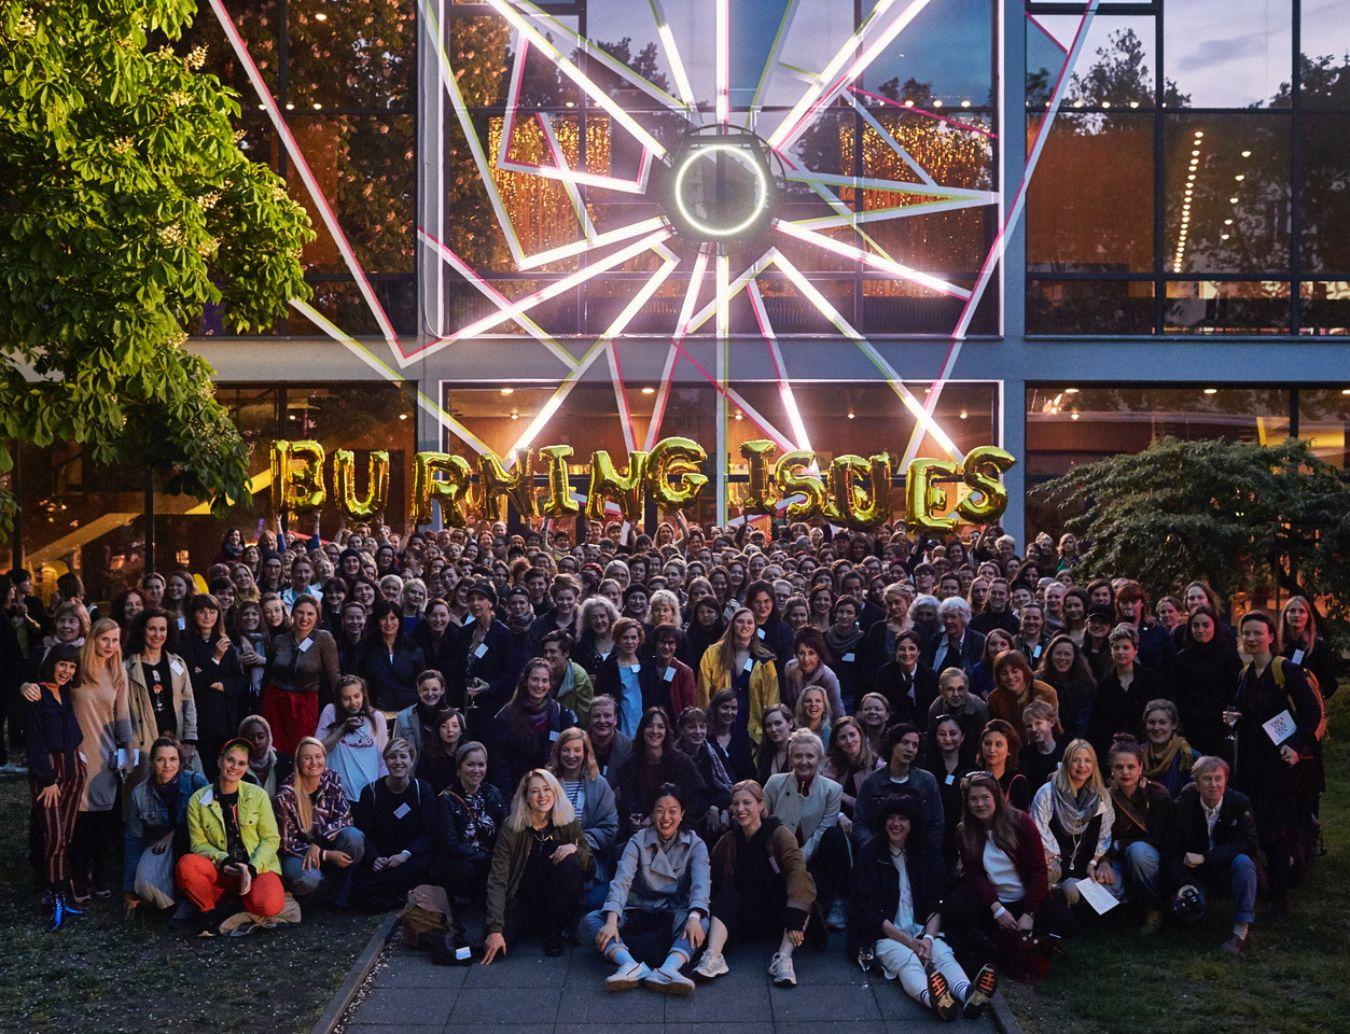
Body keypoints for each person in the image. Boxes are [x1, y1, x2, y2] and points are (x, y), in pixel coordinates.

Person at [849, 795, 999, 1022]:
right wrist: (910, 942)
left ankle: (969, 994)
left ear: (913, 823)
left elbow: (937, 899)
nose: (895, 824)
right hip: (883, 933)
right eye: (890, 818)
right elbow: (869, 911)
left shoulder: (927, 852)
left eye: (902, 819)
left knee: (942, 953)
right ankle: (935, 1000)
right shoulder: (870, 854)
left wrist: (928, 938)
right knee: (906, 959)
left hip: (921, 927)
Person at [1229, 611, 1321, 919]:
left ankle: (1281, 896)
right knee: (1254, 824)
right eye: (1247, 634)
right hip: (1250, 763)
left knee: (1277, 827)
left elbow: (1311, 713)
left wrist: (1295, 747)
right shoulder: (1245, 674)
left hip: (1278, 765)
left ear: (1271, 636)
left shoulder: (1286, 670)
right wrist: (1234, 720)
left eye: (1258, 633)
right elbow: (1251, 716)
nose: (1252, 638)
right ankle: (1264, 886)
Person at [939, 773, 1077, 974]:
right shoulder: (965, 832)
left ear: (996, 797)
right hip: (992, 901)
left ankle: (1027, 933)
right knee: (955, 907)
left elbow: (1037, 869)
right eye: (973, 799)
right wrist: (998, 910)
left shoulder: (1021, 823)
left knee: (1067, 924)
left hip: (1025, 898)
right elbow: (974, 875)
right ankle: (994, 935)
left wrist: (1029, 913)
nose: (980, 804)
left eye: (985, 797)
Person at [584, 783, 710, 994]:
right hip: (637, 908)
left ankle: (668, 970)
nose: (666, 817)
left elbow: (701, 883)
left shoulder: (695, 844)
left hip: (672, 910)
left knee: (703, 922)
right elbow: (621, 881)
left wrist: (694, 917)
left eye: (673, 811)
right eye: (660, 810)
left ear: (682, 814)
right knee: (592, 920)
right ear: (652, 813)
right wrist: (612, 921)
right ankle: (630, 965)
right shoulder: (638, 841)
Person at [695, 779, 815, 987]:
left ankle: (783, 959)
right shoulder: (729, 840)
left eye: (747, 803)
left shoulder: (779, 835)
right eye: (736, 804)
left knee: (804, 890)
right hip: (744, 915)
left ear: (761, 805)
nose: (740, 809)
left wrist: (795, 914)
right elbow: (709, 876)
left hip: (779, 911)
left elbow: (797, 870)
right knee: (726, 896)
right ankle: (713, 956)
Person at [482, 768, 592, 961]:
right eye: (534, 791)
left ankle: (554, 930)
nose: (542, 796)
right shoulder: (511, 828)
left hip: (557, 902)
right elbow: (498, 879)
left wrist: (576, 850)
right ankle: (524, 925)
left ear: (555, 793)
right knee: (495, 950)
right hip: (521, 900)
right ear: (526, 797)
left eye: (547, 789)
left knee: (572, 863)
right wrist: (495, 928)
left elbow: (591, 867)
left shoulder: (568, 822)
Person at [177, 738, 286, 932]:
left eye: (242, 763)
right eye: (230, 760)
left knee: (270, 905)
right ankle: (208, 912)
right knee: (187, 865)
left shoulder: (258, 795)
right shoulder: (198, 799)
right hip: (221, 868)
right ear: (220, 761)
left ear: (246, 767)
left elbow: (271, 839)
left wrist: (251, 869)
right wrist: (224, 860)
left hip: (254, 867)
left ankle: (240, 903)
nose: (235, 767)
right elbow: (198, 844)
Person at [1160, 756, 1259, 954]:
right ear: (1196, 783)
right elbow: (1171, 851)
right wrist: (1183, 883)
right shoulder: (1182, 806)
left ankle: (1241, 930)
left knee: (1244, 863)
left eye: (1218, 778)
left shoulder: (1239, 802)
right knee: (1189, 917)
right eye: (1207, 779)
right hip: (1194, 874)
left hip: (1226, 868)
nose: (1213, 785)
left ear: (1226, 780)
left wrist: (1207, 857)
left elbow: (1249, 843)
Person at [23, 643, 87, 930]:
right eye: (62, 664)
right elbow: (34, 741)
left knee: (67, 835)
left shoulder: (66, 693)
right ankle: (57, 895)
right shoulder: (36, 694)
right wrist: (47, 779)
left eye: (72, 666)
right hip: (51, 775)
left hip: (74, 770)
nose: (66, 671)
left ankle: (57, 892)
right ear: (52, 663)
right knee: (55, 837)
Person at [764, 730, 849, 931]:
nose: (804, 761)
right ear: (790, 758)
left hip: (813, 858)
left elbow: (823, 830)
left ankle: (838, 902)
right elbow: (764, 823)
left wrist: (798, 859)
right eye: (798, 756)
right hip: (777, 856)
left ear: (819, 759)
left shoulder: (832, 789)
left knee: (835, 836)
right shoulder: (775, 782)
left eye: (810, 756)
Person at [274, 737, 367, 909]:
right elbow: (287, 844)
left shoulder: (332, 778)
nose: (314, 762)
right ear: (298, 761)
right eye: (307, 758)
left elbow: (345, 816)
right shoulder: (285, 795)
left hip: (326, 842)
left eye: (318, 756)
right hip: (299, 852)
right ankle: (315, 894)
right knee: (309, 879)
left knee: (354, 837)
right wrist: (326, 854)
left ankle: (342, 888)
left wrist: (319, 843)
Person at [123, 737, 208, 919]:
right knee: (145, 884)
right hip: (158, 846)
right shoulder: (139, 794)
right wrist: (130, 889)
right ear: (152, 762)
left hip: (194, 843)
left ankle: (192, 899)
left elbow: (210, 821)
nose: (167, 765)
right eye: (160, 760)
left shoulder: (196, 782)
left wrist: (174, 834)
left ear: (180, 761)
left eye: (173, 759)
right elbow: (133, 840)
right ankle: (174, 901)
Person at [1030, 739, 1116, 913]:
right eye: (1076, 760)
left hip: (1085, 865)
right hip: (1056, 862)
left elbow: (1104, 835)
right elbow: (1039, 832)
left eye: (1087, 760)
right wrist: (1052, 858)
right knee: (1065, 888)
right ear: (1067, 762)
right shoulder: (1048, 793)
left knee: (1106, 889)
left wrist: (1094, 862)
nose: (1082, 765)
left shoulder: (1101, 797)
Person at [352, 738, 437, 911]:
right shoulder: (371, 792)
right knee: (358, 890)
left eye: (403, 757)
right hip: (383, 859)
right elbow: (363, 832)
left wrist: (405, 854)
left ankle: (397, 895)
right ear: (386, 761)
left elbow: (428, 834)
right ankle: (403, 898)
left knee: (425, 867)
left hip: (410, 857)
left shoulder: (423, 790)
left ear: (412, 761)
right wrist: (374, 857)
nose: (398, 762)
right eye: (392, 757)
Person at [853, 723, 944, 871]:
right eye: (905, 742)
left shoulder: (927, 781)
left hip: (919, 857)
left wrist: (928, 852)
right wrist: (873, 850)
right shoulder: (872, 782)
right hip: (879, 857)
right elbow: (860, 823)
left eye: (915, 745)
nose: (910, 749)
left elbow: (937, 823)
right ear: (892, 745)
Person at [1105, 735, 1170, 934]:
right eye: (1119, 767)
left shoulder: (1157, 794)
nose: (1125, 772)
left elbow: (1162, 839)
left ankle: (1153, 907)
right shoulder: (1104, 797)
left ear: (1140, 768)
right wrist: (1103, 861)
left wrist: (1120, 845)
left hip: (1149, 860)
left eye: (1131, 767)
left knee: (1138, 851)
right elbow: (1097, 838)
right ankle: (1128, 910)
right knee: (1105, 886)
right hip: (1115, 860)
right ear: (1112, 770)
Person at [262, 595, 340, 758]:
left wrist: (341, 706)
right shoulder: (280, 640)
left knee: (302, 751)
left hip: (305, 705)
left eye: (310, 614)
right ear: (292, 614)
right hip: (275, 705)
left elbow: (334, 676)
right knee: (276, 753)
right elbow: (267, 674)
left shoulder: (323, 638)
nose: (304, 618)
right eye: (300, 613)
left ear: (317, 617)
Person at [487, 658, 578, 794]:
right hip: (516, 789)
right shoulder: (505, 716)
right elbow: (500, 763)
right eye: (535, 679)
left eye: (544, 681)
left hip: (550, 789)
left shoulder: (562, 714)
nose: (539, 685)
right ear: (525, 681)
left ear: (550, 684)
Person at [614, 707, 707, 836]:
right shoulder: (628, 767)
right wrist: (633, 821)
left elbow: (694, 802)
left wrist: (655, 819)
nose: (655, 731)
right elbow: (626, 806)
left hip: (678, 831)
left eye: (660, 727)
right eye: (649, 726)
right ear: (642, 730)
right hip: (639, 835)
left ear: (666, 731)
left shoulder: (683, 763)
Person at [547, 728, 619, 891]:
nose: (571, 755)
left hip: (586, 854)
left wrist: (576, 844)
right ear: (558, 752)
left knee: (570, 862)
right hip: (549, 850)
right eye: (566, 750)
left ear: (586, 753)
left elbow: (609, 828)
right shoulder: (547, 782)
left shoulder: (600, 785)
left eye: (577, 750)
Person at [436, 741, 508, 902]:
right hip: (465, 861)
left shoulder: (492, 793)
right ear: (459, 768)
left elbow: (505, 827)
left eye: (481, 765)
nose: (476, 770)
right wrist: (486, 859)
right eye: (470, 765)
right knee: (464, 870)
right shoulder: (447, 800)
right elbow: (451, 844)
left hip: (492, 859)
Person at [697, 607, 779, 744]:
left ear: (755, 628)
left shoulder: (764, 661)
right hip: (719, 729)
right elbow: (703, 692)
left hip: (753, 733)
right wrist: (706, 724)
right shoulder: (712, 654)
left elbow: (772, 699)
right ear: (732, 625)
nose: (745, 625)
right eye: (740, 621)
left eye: (749, 622)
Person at [1172, 606, 1243, 758]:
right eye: (1196, 625)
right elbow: (1177, 693)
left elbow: (1235, 691)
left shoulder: (1229, 657)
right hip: (1191, 727)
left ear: (1214, 627)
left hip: (1220, 728)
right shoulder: (1182, 658)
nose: (1200, 630)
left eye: (1206, 625)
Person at [1089, 624, 1166, 756]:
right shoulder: (1105, 685)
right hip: (1116, 750)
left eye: (1126, 647)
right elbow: (1099, 724)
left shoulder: (1151, 679)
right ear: (1111, 650)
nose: (1120, 652)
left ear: (1135, 650)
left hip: (1149, 747)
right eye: (1116, 647)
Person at [316, 674, 389, 804]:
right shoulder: (331, 712)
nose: (353, 703)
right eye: (346, 698)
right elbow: (318, 751)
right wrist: (343, 729)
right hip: (337, 795)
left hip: (369, 794)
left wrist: (382, 791)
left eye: (357, 696)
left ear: (363, 696)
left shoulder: (377, 717)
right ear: (339, 699)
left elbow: (382, 757)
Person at [451, 582, 513, 731]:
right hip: (463, 701)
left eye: (480, 599)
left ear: (490, 602)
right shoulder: (464, 632)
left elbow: (510, 674)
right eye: (471, 599)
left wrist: (490, 686)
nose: (475, 603)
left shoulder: (503, 634)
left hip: (491, 705)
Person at [596, 617, 667, 737]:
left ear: (639, 639)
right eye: (625, 638)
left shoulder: (648, 666)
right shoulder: (607, 667)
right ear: (617, 639)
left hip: (644, 721)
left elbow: (656, 698)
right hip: (619, 723)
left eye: (633, 637)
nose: (630, 642)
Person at [921, 715, 973, 869]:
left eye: (953, 733)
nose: (948, 738)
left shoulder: (972, 765)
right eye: (942, 734)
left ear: (962, 737)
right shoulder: (925, 766)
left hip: (962, 831)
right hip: (932, 833)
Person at [357, 599, 426, 713]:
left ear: (400, 621)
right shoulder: (365, 648)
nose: (389, 623)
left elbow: (422, 682)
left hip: (409, 710)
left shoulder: (413, 649)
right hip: (375, 711)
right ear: (377, 621)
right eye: (384, 618)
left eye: (393, 618)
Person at [674, 706, 733, 840]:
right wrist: (708, 810)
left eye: (702, 727)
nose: (698, 732)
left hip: (716, 810)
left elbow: (730, 784)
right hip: (687, 816)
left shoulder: (714, 751)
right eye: (692, 727)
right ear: (682, 730)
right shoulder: (674, 758)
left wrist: (716, 807)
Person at [822, 715, 881, 836]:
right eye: (843, 737)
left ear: (860, 735)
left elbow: (872, 805)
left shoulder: (878, 765)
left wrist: (844, 796)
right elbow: (825, 799)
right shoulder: (831, 765)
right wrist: (840, 816)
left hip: (870, 825)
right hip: (839, 823)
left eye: (852, 734)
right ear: (837, 742)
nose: (849, 741)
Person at [1034, 634, 1095, 741]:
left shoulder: (1085, 683)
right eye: (1058, 653)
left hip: (1074, 740)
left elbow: (1083, 722)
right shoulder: (1038, 681)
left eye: (1067, 654)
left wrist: (1076, 744)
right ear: (1050, 655)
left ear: (1074, 657)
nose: (1062, 658)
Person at [874, 629, 939, 729]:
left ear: (919, 652)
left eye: (912, 649)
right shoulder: (885, 673)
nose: (907, 653)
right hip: (893, 727)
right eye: (902, 649)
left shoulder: (930, 675)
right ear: (896, 652)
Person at [1141, 699, 1198, 796]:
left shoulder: (1188, 756)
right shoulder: (1137, 754)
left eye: (1162, 722)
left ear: (1174, 725)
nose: (1156, 727)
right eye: (1151, 722)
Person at [987, 651, 1058, 728]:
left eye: (1015, 671)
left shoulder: (1045, 692)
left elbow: (1053, 727)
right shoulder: (994, 698)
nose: (1010, 677)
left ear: (1024, 671)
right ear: (998, 677)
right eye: (1004, 673)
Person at [392, 669, 448, 766]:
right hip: (415, 773)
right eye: (425, 689)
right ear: (419, 691)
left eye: (434, 689)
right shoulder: (403, 717)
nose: (430, 694)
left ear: (442, 690)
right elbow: (396, 750)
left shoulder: (454, 717)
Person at [540, 630, 594, 725]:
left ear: (566, 653)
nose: (547, 656)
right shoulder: (536, 671)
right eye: (545, 652)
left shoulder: (578, 676)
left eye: (552, 652)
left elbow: (585, 716)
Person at [924, 597, 987, 679]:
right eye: (945, 617)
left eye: (953, 617)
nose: (948, 621)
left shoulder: (978, 640)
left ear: (963, 618)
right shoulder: (936, 640)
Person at [977, 719, 1031, 811]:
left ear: (1009, 749)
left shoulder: (1017, 782)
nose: (992, 749)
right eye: (987, 744)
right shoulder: (970, 777)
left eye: (998, 744)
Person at [238, 713, 292, 797]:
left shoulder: (285, 764)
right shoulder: (236, 769)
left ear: (269, 737)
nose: (256, 742)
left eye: (261, 736)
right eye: (250, 738)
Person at [415, 708, 466, 793]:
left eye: (455, 726)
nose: (450, 730)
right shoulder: (427, 758)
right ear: (437, 730)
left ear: (461, 731)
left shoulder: (468, 755)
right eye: (444, 726)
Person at [1018, 700, 1064, 792]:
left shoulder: (1066, 750)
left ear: (1051, 722)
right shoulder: (1025, 754)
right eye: (1029, 726)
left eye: (1038, 723)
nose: (1034, 729)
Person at [586, 693, 631, 780]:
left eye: (607, 716)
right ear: (589, 719)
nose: (602, 721)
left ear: (615, 720)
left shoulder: (628, 748)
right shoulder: (578, 744)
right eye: (597, 716)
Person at [754, 702, 794, 783]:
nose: (773, 729)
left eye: (778, 723)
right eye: (768, 725)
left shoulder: (801, 749)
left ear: (790, 723)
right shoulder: (764, 753)